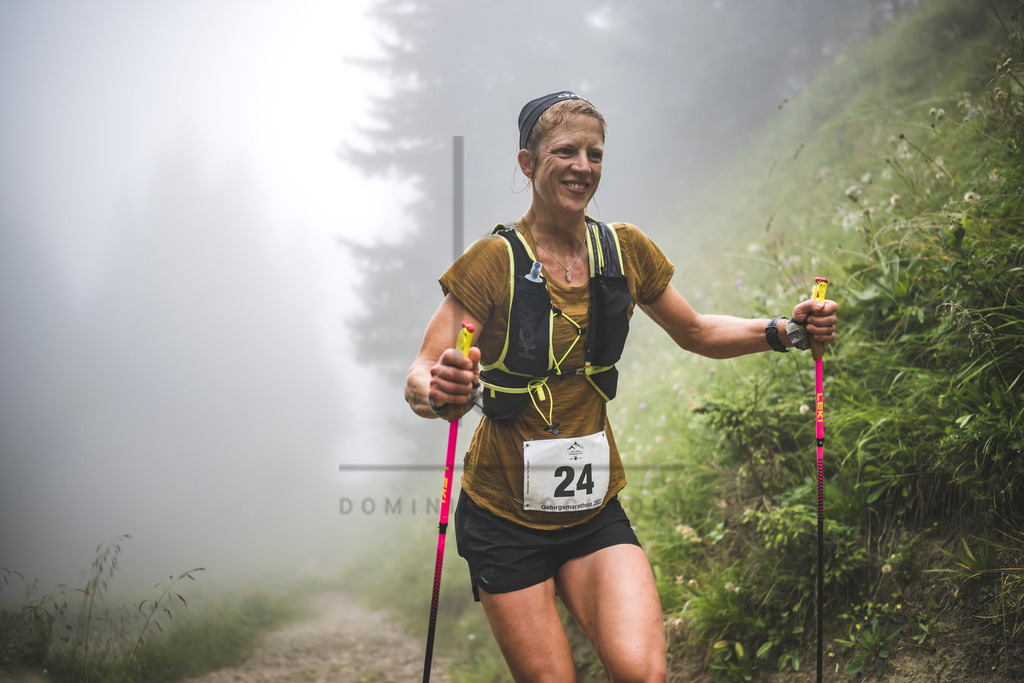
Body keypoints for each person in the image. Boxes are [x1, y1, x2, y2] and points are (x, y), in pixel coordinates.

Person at [405, 91, 838, 683]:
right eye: (565, 151)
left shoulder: (623, 249)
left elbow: (696, 331)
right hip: (503, 518)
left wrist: (787, 331)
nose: (583, 166)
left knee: (642, 673)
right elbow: (422, 373)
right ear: (528, 163)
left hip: (592, 511)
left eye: (596, 154)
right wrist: (440, 391)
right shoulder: (492, 261)